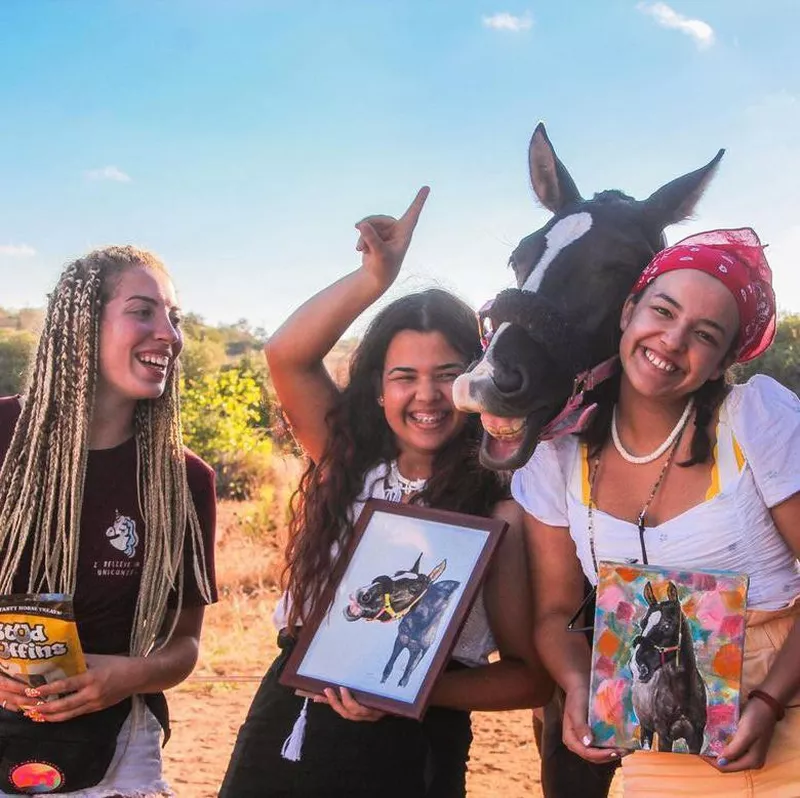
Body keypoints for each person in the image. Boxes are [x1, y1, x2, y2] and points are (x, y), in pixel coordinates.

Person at [220, 187, 553, 797]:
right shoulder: (345, 459)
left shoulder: (501, 503)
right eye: (405, 377)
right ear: (378, 388)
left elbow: (529, 679)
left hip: (415, 746)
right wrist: (374, 278)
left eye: (447, 376)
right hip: (289, 725)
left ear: (477, 383)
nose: (425, 396)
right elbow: (285, 354)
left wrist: (400, 688)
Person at [516, 228, 800, 796]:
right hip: (655, 738)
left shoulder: (756, 420)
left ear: (722, 362)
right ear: (628, 312)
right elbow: (553, 611)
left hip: (787, 713)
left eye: (704, 334)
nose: (671, 341)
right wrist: (577, 685)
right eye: (662, 312)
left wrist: (768, 703)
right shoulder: (557, 455)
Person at [0, 246, 217, 796]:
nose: (168, 334)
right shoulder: (4, 435)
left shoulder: (183, 480)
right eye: (143, 311)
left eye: (174, 318)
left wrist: (129, 676)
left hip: (117, 751)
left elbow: (184, 645)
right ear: (81, 324)